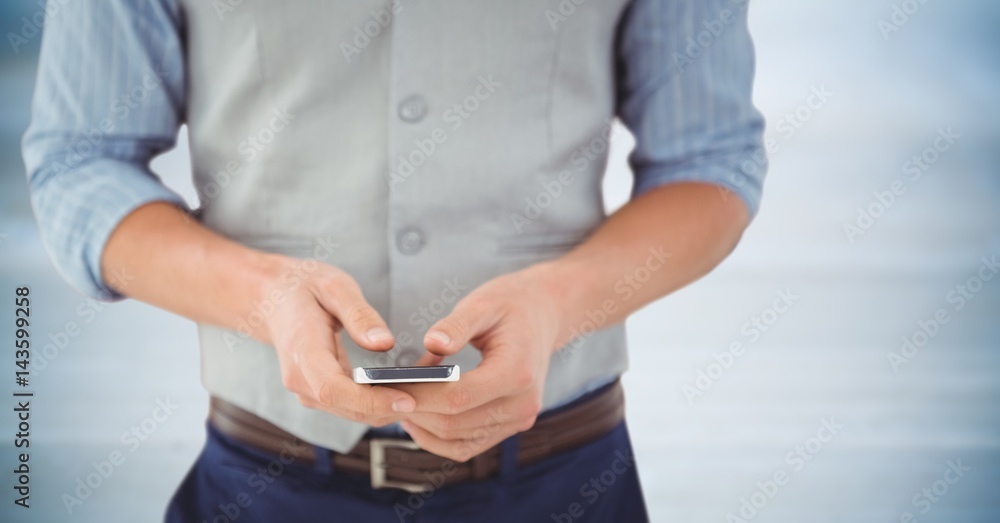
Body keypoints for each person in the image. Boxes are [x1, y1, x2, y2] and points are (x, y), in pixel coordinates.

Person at [23, 0, 766, 521]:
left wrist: (558, 303)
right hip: (264, 483)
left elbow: (708, 160)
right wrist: (264, 295)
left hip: (564, 477)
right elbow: (82, 163)